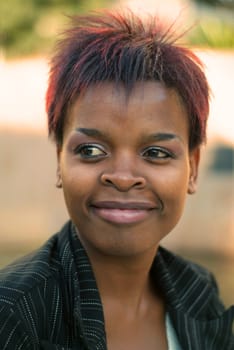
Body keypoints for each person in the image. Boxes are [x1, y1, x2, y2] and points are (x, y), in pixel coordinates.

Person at [0, 10, 233, 350]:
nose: (123, 178)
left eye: (156, 153)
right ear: (59, 160)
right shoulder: (15, 314)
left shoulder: (198, 291)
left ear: (193, 169)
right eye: (92, 150)